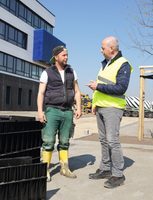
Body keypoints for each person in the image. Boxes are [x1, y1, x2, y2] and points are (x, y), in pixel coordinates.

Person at [86, 36, 133, 189]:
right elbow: (101, 85)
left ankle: (118, 175)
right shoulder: (105, 64)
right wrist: (94, 103)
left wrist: (98, 87)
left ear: (111, 48)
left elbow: (121, 88)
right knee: (103, 140)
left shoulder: (123, 64)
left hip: (113, 108)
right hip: (101, 107)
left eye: (103, 48)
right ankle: (105, 169)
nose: (101, 50)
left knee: (112, 140)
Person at [37, 45, 82, 182]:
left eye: (67, 55)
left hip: (68, 111)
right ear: (56, 57)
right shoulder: (47, 72)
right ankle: (45, 170)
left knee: (64, 141)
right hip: (52, 110)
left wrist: (78, 108)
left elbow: (77, 91)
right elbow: (41, 92)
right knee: (48, 141)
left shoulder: (71, 72)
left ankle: (64, 168)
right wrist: (40, 111)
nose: (66, 57)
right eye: (63, 55)